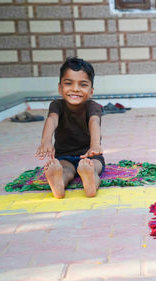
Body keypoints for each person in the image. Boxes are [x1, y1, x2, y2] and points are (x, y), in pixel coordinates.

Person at [35, 57, 104, 199]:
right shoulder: (56, 106)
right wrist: (46, 141)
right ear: (60, 88)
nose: (75, 89)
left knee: (94, 167)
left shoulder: (93, 106)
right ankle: (58, 183)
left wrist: (95, 145)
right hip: (64, 156)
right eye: (69, 83)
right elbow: (52, 120)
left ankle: (90, 180)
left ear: (91, 91)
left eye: (83, 85)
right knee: (65, 170)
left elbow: (94, 123)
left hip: (89, 155)